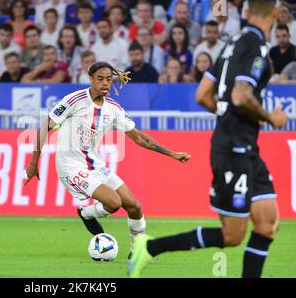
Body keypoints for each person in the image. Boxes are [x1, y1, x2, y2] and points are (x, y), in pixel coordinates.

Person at [129, 0, 288, 279]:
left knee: (267, 224)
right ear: (275, 13)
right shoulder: (257, 46)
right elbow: (240, 95)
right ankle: (151, 248)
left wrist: (227, 113)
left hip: (245, 147)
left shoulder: (232, 43)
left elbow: (202, 95)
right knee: (232, 236)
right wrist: (270, 118)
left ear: (247, 10)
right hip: (233, 149)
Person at [25, 61, 190, 257]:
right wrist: (34, 162)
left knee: (134, 206)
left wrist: (171, 153)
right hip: (71, 167)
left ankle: (137, 250)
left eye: (109, 79)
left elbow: (139, 138)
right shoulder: (74, 100)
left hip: (94, 163)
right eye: (100, 79)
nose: (105, 83)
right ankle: (86, 213)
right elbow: (45, 126)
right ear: (91, 79)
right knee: (113, 202)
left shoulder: (113, 108)